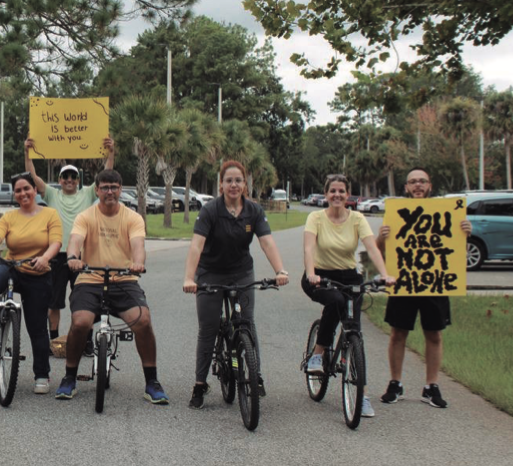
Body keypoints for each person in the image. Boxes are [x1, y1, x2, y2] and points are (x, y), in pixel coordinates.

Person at [182, 160, 289, 409]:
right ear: (221, 184)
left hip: (241, 272)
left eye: (238, 180)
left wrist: (279, 270)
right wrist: (189, 278)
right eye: (229, 180)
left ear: (245, 184)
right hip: (210, 273)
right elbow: (197, 245)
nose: (233, 185)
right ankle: (200, 383)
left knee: (247, 325)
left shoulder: (254, 211)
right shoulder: (210, 210)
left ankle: (255, 376)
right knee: (208, 329)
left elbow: (267, 242)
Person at [57, 169, 168, 405]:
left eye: (114, 187)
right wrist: (73, 257)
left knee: (143, 321)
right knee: (80, 323)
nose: (110, 191)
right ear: (96, 190)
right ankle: (69, 377)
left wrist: (138, 263)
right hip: (90, 279)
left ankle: (152, 381)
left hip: (124, 279)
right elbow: (75, 240)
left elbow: (138, 244)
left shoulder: (132, 217)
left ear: (120, 190)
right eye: (105, 187)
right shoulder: (85, 216)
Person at [376, 167, 471, 409]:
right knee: (398, 333)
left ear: (429, 186)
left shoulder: (446, 212)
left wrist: (465, 234)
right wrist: (382, 237)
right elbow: (378, 252)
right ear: (406, 187)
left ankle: (431, 386)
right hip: (403, 281)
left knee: (434, 334)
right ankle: (395, 383)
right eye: (413, 182)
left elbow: (453, 249)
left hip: (434, 283)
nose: (418, 185)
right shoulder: (396, 214)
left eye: (422, 181)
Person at [302, 174, 396, 418]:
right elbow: (309, 247)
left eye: (341, 191)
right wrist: (311, 272)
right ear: (326, 194)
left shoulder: (357, 218)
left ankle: (361, 397)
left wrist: (384, 274)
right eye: (332, 190)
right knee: (334, 300)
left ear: (348, 194)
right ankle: (318, 354)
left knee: (354, 329)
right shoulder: (316, 218)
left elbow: (371, 247)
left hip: (348, 277)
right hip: (320, 276)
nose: (337, 195)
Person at [0, 172, 63, 394]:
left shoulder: (50, 214)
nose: (23, 193)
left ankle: (41, 374)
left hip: (38, 271)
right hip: (12, 266)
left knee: (37, 328)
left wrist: (45, 258)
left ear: (35, 190)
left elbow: (56, 242)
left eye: (26, 189)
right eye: (18, 190)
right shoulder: (9, 217)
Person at [24, 136, 115, 346]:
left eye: (73, 176)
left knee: (85, 301)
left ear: (78, 179)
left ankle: (87, 342)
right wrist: (28, 153)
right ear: (60, 179)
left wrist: (110, 153)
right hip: (56, 256)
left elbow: (105, 175)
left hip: (82, 256)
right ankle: (54, 340)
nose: (69, 180)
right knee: (53, 302)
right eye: (65, 176)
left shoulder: (87, 194)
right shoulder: (52, 195)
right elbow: (33, 176)